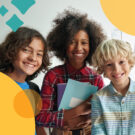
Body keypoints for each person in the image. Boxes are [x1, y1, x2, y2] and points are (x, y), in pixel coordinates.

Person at [36, 9, 106, 135]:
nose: (79, 48)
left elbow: (104, 115)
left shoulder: (96, 79)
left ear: (92, 46)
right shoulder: (53, 76)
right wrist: (71, 114)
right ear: (63, 45)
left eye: (84, 43)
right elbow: (41, 117)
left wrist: (90, 120)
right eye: (72, 42)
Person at [0, 27, 50, 135]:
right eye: (26, 50)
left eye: (39, 54)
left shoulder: (34, 90)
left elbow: (37, 128)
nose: (33, 58)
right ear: (11, 50)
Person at [91, 39, 135, 135]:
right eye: (109, 64)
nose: (116, 69)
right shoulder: (98, 98)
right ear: (102, 69)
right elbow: (98, 131)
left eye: (121, 62)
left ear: (130, 62)